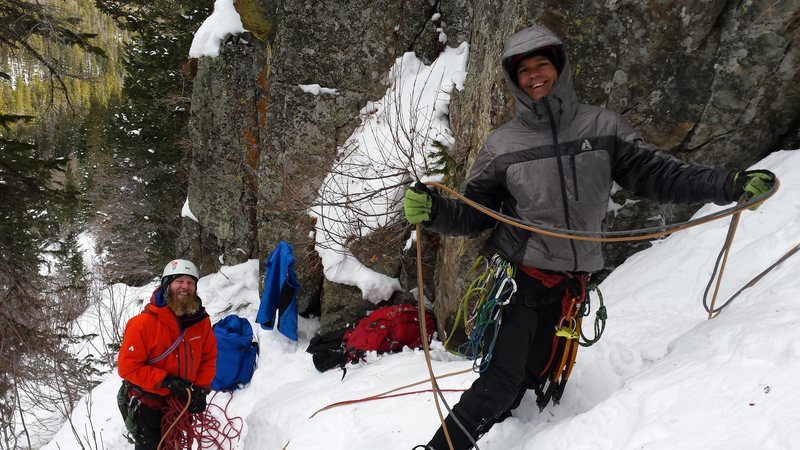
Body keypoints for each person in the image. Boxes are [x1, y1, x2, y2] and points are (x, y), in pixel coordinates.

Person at [405, 25, 775, 450]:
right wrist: (434, 210)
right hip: (519, 280)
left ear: (559, 68)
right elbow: (473, 214)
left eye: (542, 65)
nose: (534, 76)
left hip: (569, 286)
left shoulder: (603, 127)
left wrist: (729, 185)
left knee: (535, 374)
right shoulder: (502, 145)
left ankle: (513, 426)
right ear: (514, 79)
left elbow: (661, 175)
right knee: (504, 378)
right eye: (524, 70)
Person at [117, 259, 217, 449]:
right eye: (179, 281)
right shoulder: (142, 324)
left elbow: (208, 356)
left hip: (180, 402)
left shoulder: (201, 322)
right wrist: (165, 380)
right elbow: (127, 367)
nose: (185, 287)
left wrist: (201, 389)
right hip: (148, 404)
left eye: (190, 282)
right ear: (166, 285)